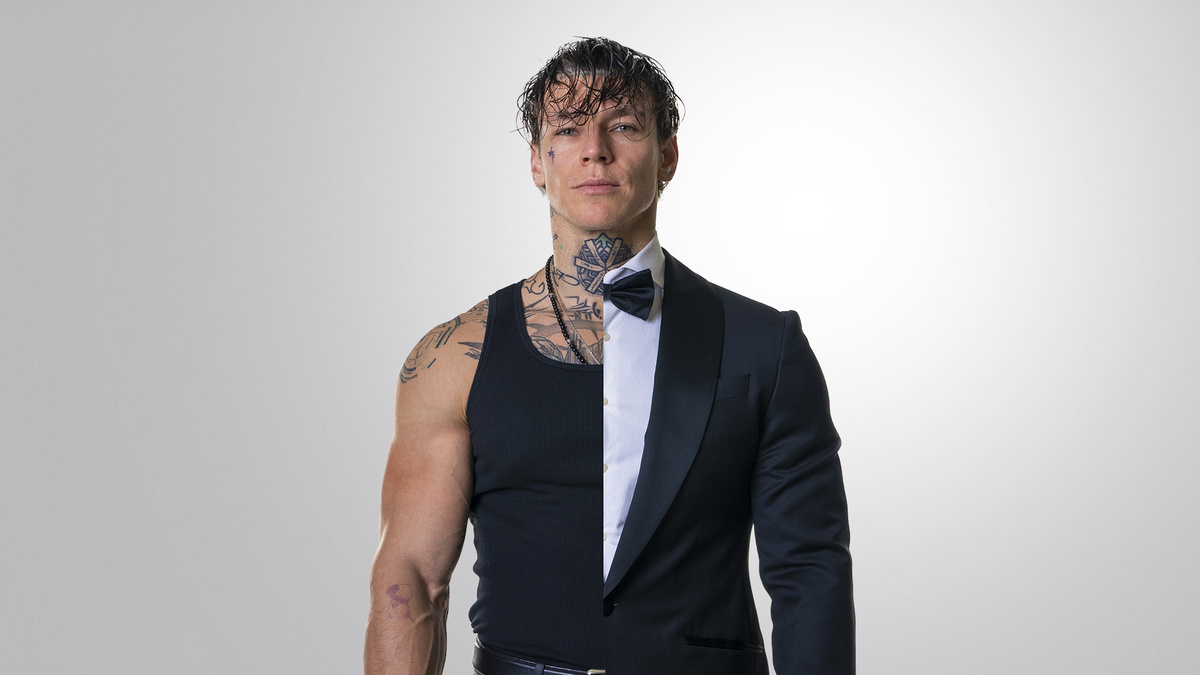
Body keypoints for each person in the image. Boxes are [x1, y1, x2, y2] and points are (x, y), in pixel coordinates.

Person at [365, 37, 854, 675]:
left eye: (623, 125)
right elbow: (411, 576)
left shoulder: (766, 346)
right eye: (568, 129)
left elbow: (809, 572)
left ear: (667, 155)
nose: (595, 149)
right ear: (537, 162)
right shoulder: (453, 357)